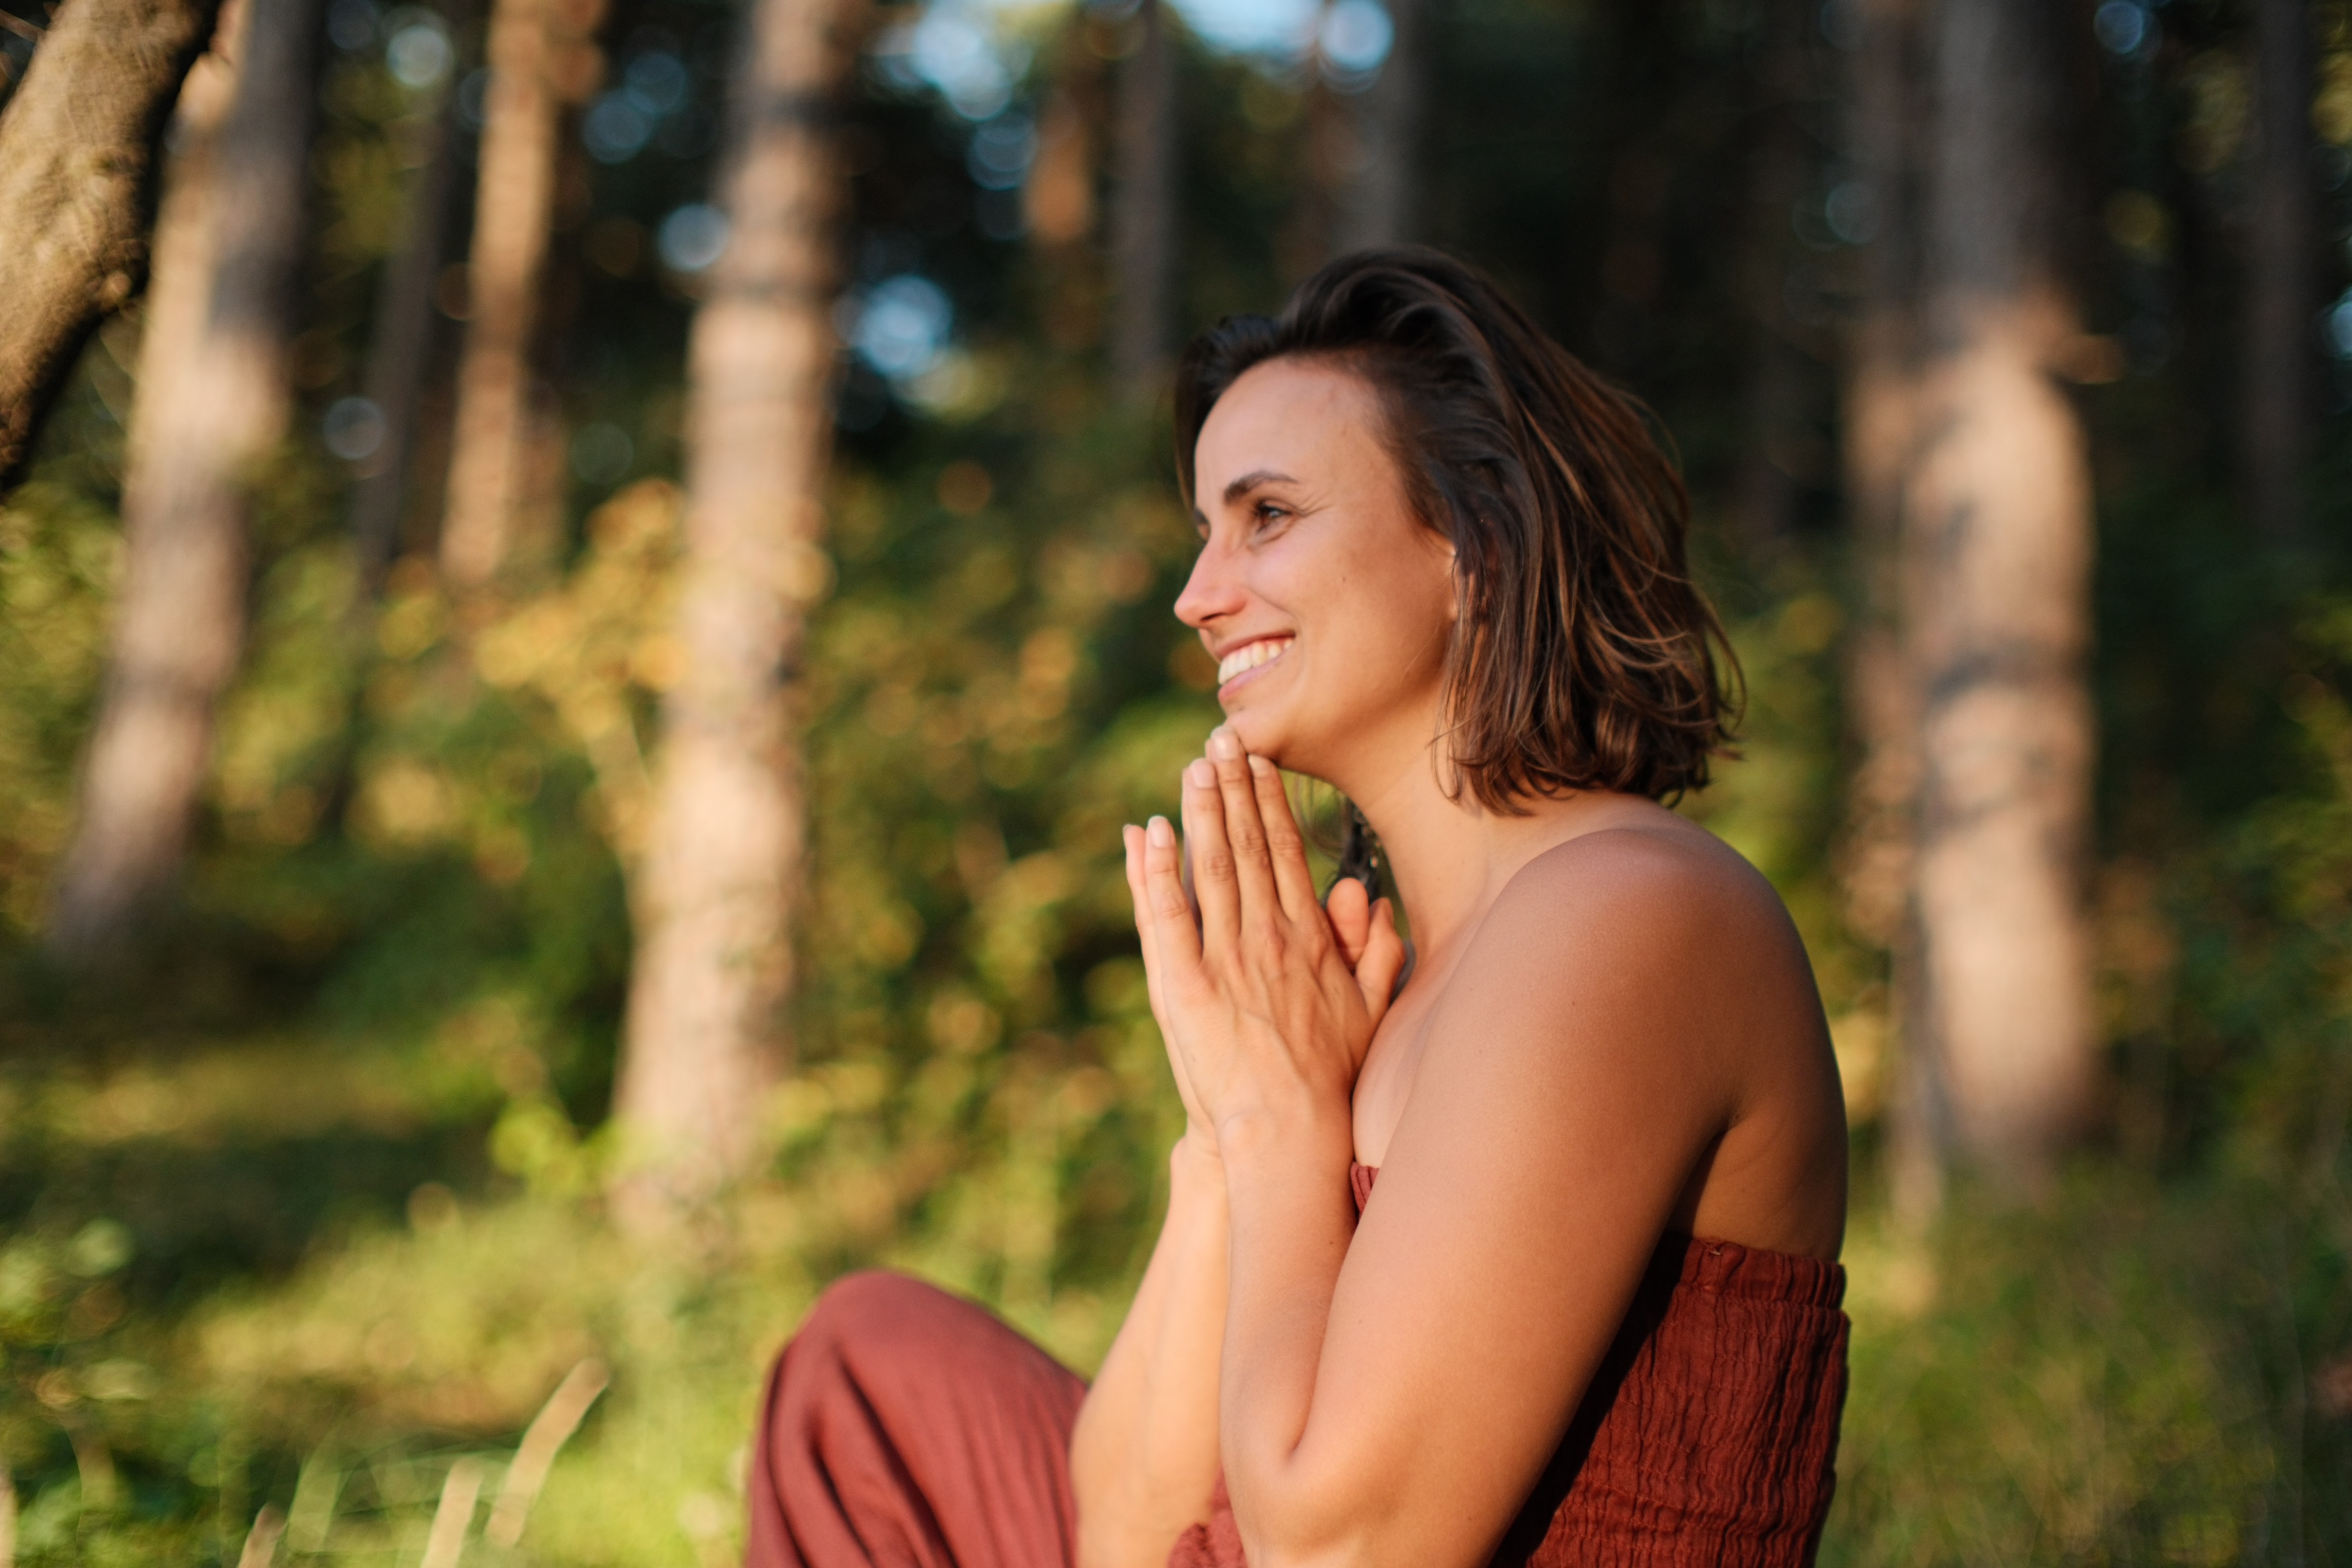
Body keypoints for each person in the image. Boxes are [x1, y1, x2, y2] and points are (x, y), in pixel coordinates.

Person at [744, 248, 1850, 1568]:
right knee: (867, 1367)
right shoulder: (1390, 983)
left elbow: (1345, 1552)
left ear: (1473, 541)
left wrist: (1282, 1129)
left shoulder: (1633, 915)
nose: (1198, 596)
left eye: (1267, 514)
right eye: (1204, 530)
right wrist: (1231, 1123)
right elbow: (1121, 1524)